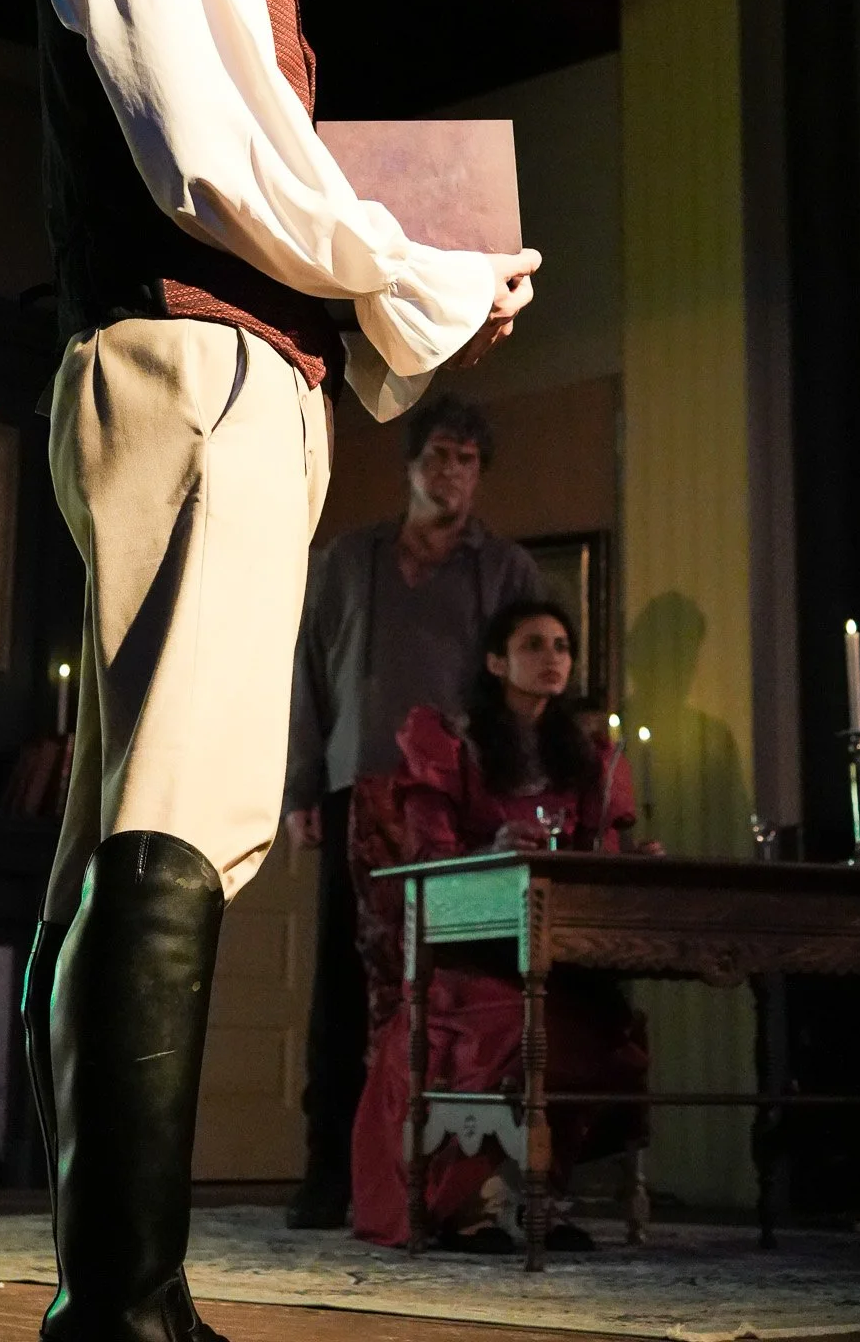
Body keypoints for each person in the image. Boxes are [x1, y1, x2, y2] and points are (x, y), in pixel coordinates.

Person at [18, 0, 541, 1342]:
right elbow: (218, 167)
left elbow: (275, 187)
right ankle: (127, 1302)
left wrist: (423, 294)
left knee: (140, 813)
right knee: (165, 809)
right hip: (191, 368)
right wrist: (424, 276)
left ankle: (114, 1288)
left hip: (247, 375)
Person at [282, 392, 542, 1228]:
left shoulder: (503, 571)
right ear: (410, 464)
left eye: (466, 460)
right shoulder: (348, 558)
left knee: (445, 985)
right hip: (355, 790)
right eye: (437, 455)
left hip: (455, 804)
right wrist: (298, 787)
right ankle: (331, 1175)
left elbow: (523, 692)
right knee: (342, 992)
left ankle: (445, 1182)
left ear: (479, 473)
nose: (450, 472)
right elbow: (305, 678)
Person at [351, 600, 651, 1253]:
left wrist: (617, 862)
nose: (551, 658)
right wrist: (492, 847)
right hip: (466, 950)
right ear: (495, 661)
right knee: (506, 1021)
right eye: (533, 644)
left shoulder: (583, 752)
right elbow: (427, 856)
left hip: (550, 948)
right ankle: (472, 1203)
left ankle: (537, 1195)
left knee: (597, 1026)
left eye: (561, 646)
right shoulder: (449, 740)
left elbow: (593, 850)